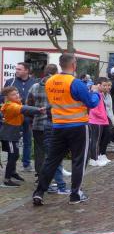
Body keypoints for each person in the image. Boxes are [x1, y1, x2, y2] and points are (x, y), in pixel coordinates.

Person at [32, 53, 101, 206]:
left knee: (51, 160)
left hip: (58, 125)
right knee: (79, 160)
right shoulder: (75, 82)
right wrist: (96, 92)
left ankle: (39, 192)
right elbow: (91, 103)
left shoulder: (50, 81)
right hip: (78, 126)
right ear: (74, 64)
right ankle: (75, 194)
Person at [26, 64, 68, 193]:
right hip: (55, 123)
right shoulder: (57, 87)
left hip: (38, 124)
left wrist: (32, 120)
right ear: (55, 73)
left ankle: (40, 178)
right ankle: (52, 181)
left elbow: (29, 105)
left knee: (40, 153)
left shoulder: (34, 86)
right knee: (53, 154)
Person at [1, 87, 43, 187]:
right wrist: (39, 110)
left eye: (17, 93)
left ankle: (12, 173)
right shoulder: (10, 106)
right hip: (8, 135)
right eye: (13, 94)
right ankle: (6, 180)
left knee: (14, 155)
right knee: (14, 155)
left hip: (13, 134)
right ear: (7, 97)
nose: (17, 95)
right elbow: (24, 109)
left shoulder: (16, 103)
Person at [2, 62, 37, 173]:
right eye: (16, 69)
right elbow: (3, 98)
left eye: (19, 69)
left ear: (26, 70)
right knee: (13, 142)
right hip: (13, 118)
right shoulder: (10, 81)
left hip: (27, 118)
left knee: (27, 141)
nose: (16, 71)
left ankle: (26, 164)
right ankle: (11, 167)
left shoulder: (34, 82)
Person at [88, 77, 114, 167]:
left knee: (98, 140)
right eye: (104, 85)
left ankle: (98, 157)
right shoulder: (95, 94)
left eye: (107, 85)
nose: (106, 87)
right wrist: (103, 116)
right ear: (98, 85)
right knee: (95, 141)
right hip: (96, 121)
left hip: (100, 121)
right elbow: (94, 109)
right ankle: (93, 159)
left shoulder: (100, 94)